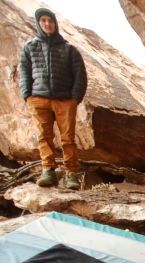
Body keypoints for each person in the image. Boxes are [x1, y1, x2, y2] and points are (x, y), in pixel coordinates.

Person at [19, 7, 87, 190]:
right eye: (43, 21)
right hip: (38, 99)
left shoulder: (69, 49)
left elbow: (80, 75)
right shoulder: (29, 47)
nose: (47, 24)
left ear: (55, 24)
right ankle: (48, 171)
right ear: (38, 23)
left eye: (50, 21)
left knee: (68, 139)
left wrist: (75, 98)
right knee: (44, 136)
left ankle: (71, 174)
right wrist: (27, 95)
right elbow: (24, 72)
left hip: (65, 100)